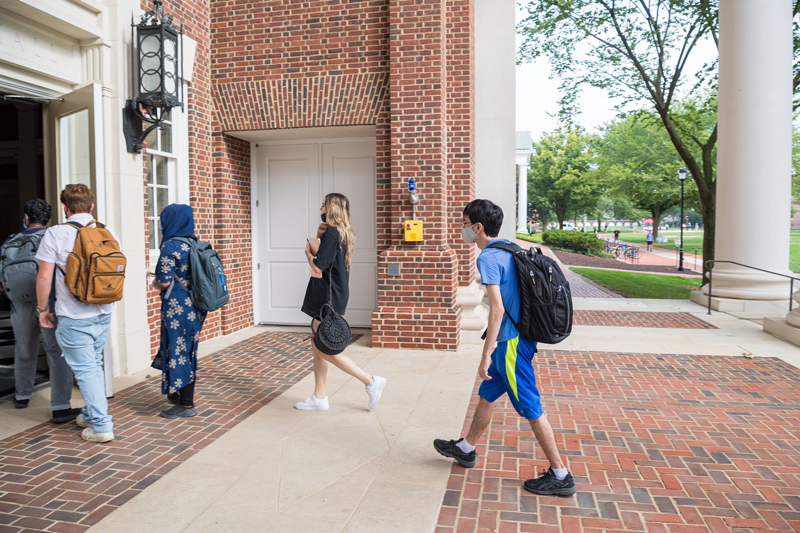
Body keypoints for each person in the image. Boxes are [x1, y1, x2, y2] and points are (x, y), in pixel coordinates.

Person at [433, 199, 576, 497]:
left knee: (532, 407)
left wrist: (486, 352)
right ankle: (467, 448)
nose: (462, 229)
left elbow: (496, 309)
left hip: (509, 344)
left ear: (478, 227)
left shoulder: (487, 258)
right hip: (520, 339)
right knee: (488, 393)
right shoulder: (512, 248)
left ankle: (561, 475)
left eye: (464, 223)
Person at [35, 184, 118, 443]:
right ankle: (92, 415)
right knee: (92, 365)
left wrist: (42, 310)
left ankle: (102, 426)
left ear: (64, 207)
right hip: (104, 309)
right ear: (91, 206)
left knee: (86, 371)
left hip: (73, 314)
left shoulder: (56, 233)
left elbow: (44, 277)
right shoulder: (106, 230)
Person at [295, 193, 386, 411]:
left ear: (331, 209)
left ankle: (371, 381)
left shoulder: (334, 233)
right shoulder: (342, 233)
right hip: (332, 296)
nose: (320, 209)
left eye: (323, 205)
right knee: (318, 347)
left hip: (327, 298)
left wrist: (308, 252)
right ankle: (319, 397)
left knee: (324, 348)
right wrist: (319, 237)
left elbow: (319, 266)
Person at [0, 199, 80, 423]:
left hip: (20, 305)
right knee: (56, 353)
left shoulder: (10, 242)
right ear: (50, 219)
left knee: (24, 350)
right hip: (51, 304)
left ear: (25, 218)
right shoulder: (54, 238)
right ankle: (61, 406)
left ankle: (22, 395)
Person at [149, 204, 207, 418]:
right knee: (186, 349)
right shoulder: (194, 243)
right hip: (196, 305)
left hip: (177, 308)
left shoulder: (171, 246)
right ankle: (177, 393)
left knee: (179, 351)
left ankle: (186, 405)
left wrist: (153, 282)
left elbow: (163, 282)